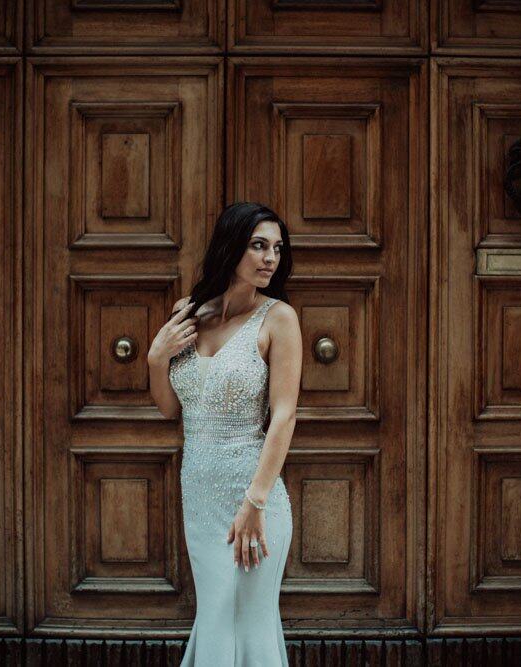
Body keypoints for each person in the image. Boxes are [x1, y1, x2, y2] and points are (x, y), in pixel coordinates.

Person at [147, 201, 302, 666]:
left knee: (248, 622)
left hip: (254, 499)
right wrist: (156, 360)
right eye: (258, 246)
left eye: (276, 248)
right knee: (214, 615)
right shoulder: (190, 313)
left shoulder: (279, 319)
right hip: (199, 497)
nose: (269, 258)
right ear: (231, 246)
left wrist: (254, 504)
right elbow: (171, 407)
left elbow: (284, 416)